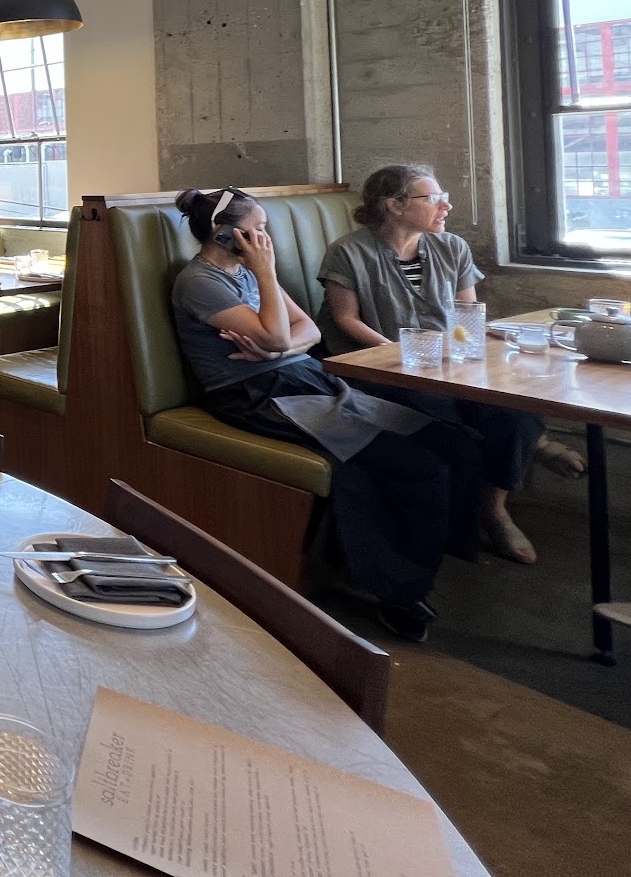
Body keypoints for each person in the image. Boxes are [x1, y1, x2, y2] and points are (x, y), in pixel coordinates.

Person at [168, 186, 480, 642]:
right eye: (257, 230)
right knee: (413, 465)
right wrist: (272, 321)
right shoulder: (200, 282)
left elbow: (308, 331)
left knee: (449, 439)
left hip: (302, 376)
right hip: (256, 395)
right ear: (224, 233)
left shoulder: (249, 272)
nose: (265, 240)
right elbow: (279, 335)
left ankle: (431, 552)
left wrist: (274, 347)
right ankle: (398, 594)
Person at [318, 164, 581, 564]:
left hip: (449, 364)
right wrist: (396, 352)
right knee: (455, 425)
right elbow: (346, 319)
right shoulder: (348, 252)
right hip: (384, 371)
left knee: (517, 413)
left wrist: (473, 356)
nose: (447, 205)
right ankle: (524, 459)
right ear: (395, 205)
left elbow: (465, 313)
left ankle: (495, 511)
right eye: (434, 198)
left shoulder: (452, 247)